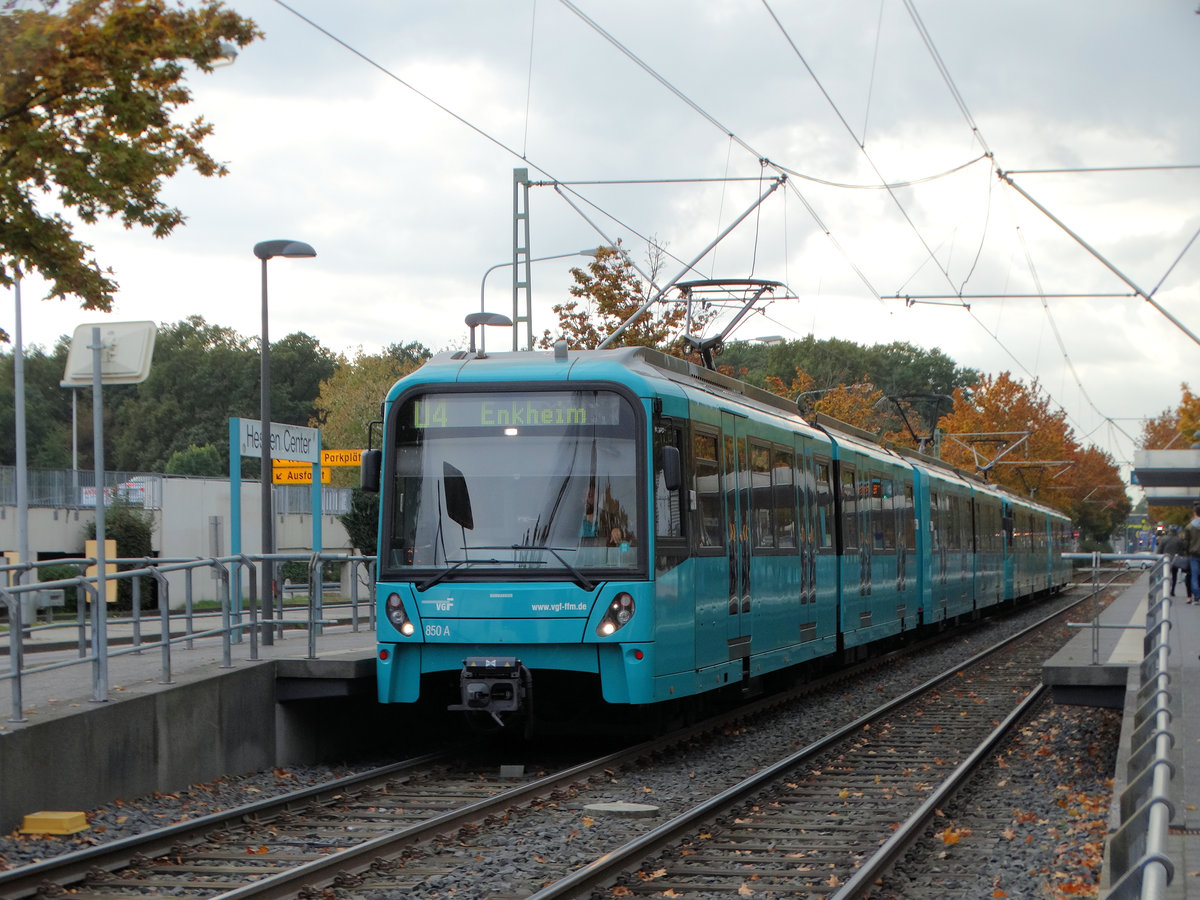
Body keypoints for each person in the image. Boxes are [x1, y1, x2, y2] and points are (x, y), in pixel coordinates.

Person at [1160, 524, 1188, 599]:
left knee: (1165, 575)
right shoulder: (1178, 540)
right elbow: (1182, 551)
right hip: (1175, 560)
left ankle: (1165, 589)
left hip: (1165, 560)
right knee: (1174, 576)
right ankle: (1172, 590)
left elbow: (1159, 550)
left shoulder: (1164, 539)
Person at [1185, 506, 1200, 604]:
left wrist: (1187, 553)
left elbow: (1187, 542)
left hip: (1194, 555)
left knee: (1194, 576)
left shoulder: (1189, 527)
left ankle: (1197, 596)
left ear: (1195, 513)